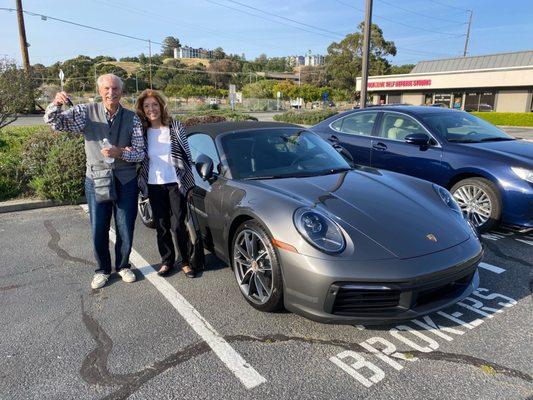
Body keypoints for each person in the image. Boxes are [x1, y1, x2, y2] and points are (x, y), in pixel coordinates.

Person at [44, 74, 145, 289]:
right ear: (99, 91)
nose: (112, 92)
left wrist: (120, 153)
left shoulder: (132, 118)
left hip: (125, 180)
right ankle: (102, 269)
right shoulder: (85, 112)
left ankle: (124, 265)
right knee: (99, 227)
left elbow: (140, 153)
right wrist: (56, 104)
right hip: (96, 178)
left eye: (116, 88)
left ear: (121, 91)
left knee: (125, 226)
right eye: (107, 88)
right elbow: (55, 122)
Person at [135, 89, 196, 278]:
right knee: (161, 225)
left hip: (175, 184)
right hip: (154, 185)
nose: (151, 109)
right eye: (147, 106)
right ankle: (167, 261)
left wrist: (190, 184)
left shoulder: (175, 127)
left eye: (154, 105)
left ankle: (185, 261)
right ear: (142, 110)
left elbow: (187, 156)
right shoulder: (142, 132)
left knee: (178, 225)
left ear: (161, 106)